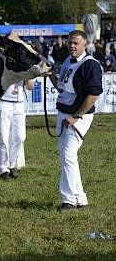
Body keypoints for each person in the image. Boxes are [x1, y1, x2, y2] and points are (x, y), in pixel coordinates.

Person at [49, 30, 103, 212]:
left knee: (68, 156)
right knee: (68, 157)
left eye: (76, 43)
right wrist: (49, 74)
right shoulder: (67, 61)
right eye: (70, 42)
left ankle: (69, 200)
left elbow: (94, 95)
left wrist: (76, 117)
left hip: (77, 117)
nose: (72, 45)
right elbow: (62, 87)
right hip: (64, 114)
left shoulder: (91, 65)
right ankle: (80, 198)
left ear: (85, 45)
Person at [0, 80, 34, 180]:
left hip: (19, 104)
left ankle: (11, 164)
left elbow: (30, 87)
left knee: (20, 137)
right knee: (3, 137)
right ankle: (3, 169)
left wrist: (27, 76)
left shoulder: (28, 67)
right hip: (3, 102)